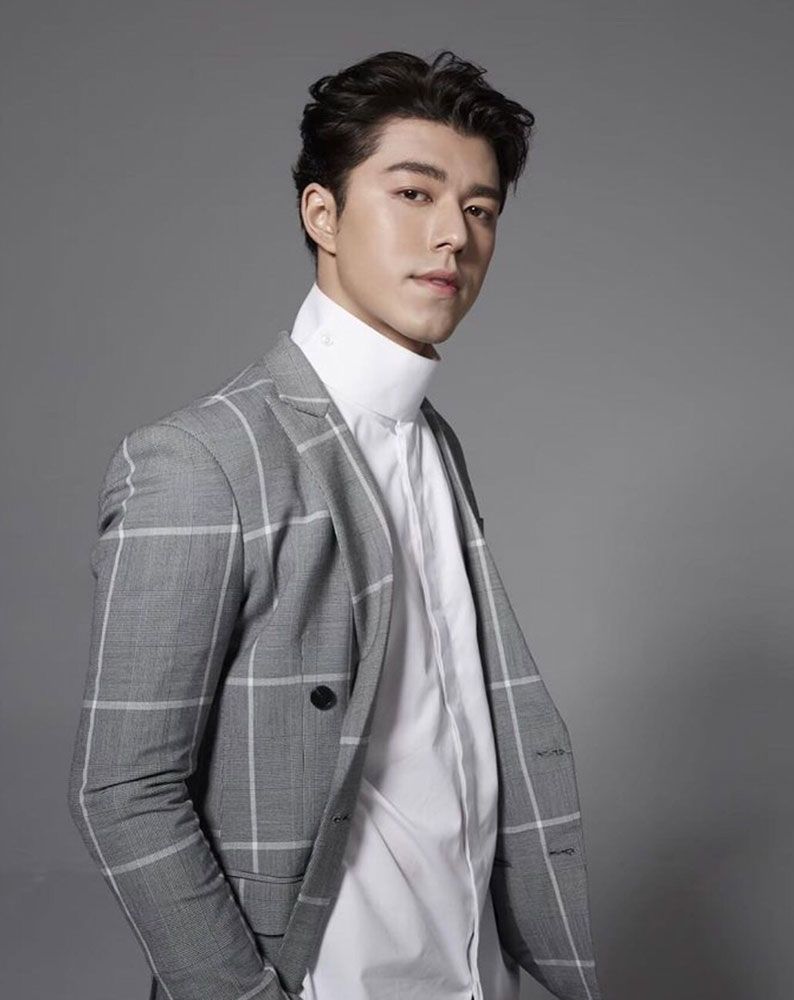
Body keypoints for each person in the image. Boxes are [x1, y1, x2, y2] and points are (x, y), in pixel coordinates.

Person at [67, 49, 604, 1000]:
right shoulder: (200, 459)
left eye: (481, 209)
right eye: (414, 193)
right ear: (322, 214)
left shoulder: (432, 443)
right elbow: (122, 792)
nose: (454, 235)